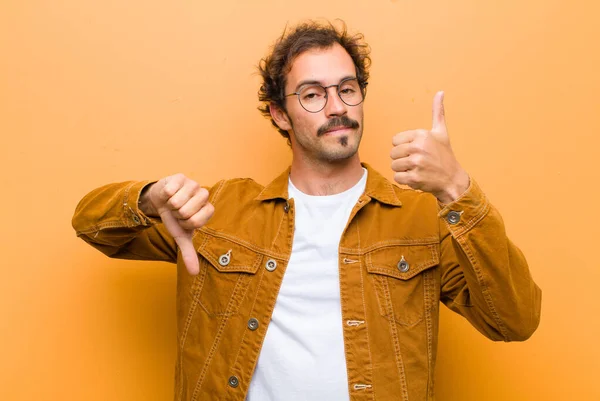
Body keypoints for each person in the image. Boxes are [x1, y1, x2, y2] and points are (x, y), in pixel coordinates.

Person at [72, 20, 541, 401]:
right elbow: (92, 226)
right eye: (313, 94)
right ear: (279, 113)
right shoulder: (220, 213)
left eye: (348, 88)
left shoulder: (420, 219)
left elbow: (513, 320)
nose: (337, 107)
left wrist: (457, 189)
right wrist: (150, 197)